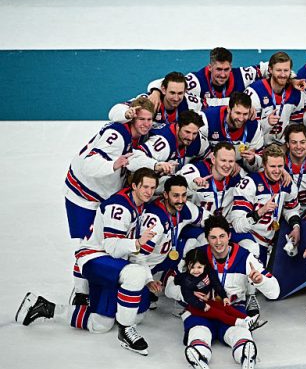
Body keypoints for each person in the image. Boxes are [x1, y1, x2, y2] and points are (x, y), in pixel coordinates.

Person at [18, 168, 162, 355]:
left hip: (112, 264)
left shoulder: (139, 207)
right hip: (95, 258)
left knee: (101, 324)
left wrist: (148, 277)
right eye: (145, 187)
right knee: (135, 275)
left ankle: (45, 307)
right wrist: (136, 243)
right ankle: (125, 331)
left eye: (152, 188)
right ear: (134, 185)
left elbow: (129, 251)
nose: (149, 192)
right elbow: (112, 246)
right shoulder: (119, 206)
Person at [164, 216, 280, 369]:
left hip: (231, 308)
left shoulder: (245, 258)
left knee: (240, 332)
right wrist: (184, 294)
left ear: (229, 236)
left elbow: (275, 292)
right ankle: (199, 354)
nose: (218, 242)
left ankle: (245, 353)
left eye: (222, 236)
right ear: (206, 238)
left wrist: (261, 281)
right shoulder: (196, 256)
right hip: (201, 310)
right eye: (213, 237)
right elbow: (169, 285)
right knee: (198, 330)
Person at [64, 96, 155, 241]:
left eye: (149, 120)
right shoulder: (117, 135)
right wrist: (113, 165)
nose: (146, 124)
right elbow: (89, 165)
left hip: (104, 194)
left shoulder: (138, 133)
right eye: (141, 119)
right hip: (83, 194)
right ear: (132, 118)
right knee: (88, 245)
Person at [230, 144, 302, 266]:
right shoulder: (250, 183)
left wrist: (296, 227)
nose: (277, 170)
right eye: (272, 166)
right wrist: (261, 211)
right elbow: (237, 225)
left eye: (280, 166)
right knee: (254, 256)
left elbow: (291, 209)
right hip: (247, 237)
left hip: (268, 240)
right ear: (264, 165)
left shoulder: (287, 183)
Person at [244, 51, 306, 145]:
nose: (282, 74)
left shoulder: (296, 93)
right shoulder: (255, 92)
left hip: (282, 147)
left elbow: (297, 123)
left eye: (286, 70)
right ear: (270, 69)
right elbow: (246, 128)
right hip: (258, 147)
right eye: (278, 70)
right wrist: (267, 123)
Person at [149, 47, 260, 108]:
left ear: (231, 67)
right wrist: (156, 92)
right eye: (218, 69)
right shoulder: (195, 81)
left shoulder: (241, 75)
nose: (222, 74)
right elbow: (170, 83)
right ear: (210, 67)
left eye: (226, 69)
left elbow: (268, 67)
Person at [174, 248, 256, 330]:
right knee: (219, 314)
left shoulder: (208, 271)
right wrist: (201, 305)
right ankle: (241, 323)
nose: (196, 270)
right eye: (192, 267)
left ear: (204, 265)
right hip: (196, 306)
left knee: (226, 308)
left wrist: (224, 296)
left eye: (199, 267)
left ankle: (247, 319)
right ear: (187, 265)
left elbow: (216, 284)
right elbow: (188, 297)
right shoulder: (186, 280)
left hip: (208, 301)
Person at [109, 71, 202, 130]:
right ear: (163, 90)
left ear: (185, 91)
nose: (176, 98)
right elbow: (113, 113)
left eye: (180, 93)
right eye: (172, 93)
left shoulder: (192, 103)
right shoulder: (148, 100)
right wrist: (126, 113)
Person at [127, 110, 208, 177]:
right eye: (187, 132)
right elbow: (132, 159)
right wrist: (156, 165)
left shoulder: (198, 140)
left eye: (194, 133)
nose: (190, 138)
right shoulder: (164, 143)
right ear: (178, 127)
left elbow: (209, 158)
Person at [201, 91, 264, 173]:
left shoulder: (254, 127)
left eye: (245, 114)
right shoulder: (207, 119)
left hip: (237, 171)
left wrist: (252, 160)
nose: (241, 118)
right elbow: (197, 153)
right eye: (238, 113)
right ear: (228, 109)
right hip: (209, 168)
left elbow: (259, 163)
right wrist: (224, 162)